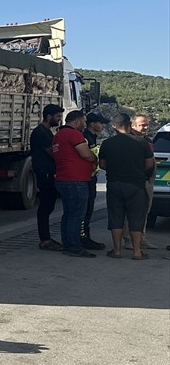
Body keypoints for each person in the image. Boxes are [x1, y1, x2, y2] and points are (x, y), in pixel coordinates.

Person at [99, 113, 154, 260]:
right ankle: (137, 252)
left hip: (114, 184)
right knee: (136, 218)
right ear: (130, 125)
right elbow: (150, 163)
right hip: (136, 185)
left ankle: (117, 251)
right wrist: (139, 172)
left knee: (116, 217)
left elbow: (102, 164)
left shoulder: (107, 143)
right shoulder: (141, 143)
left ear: (114, 128)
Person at [52, 110, 98, 257]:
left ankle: (68, 244)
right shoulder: (73, 134)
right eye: (84, 121)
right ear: (77, 121)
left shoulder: (58, 135)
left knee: (68, 214)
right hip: (75, 180)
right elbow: (86, 154)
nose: (85, 124)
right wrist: (94, 158)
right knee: (76, 215)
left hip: (65, 179)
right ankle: (74, 247)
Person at [31, 104, 64, 251]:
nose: (59, 119)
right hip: (44, 173)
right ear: (49, 116)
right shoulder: (41, 133)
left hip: (48, 172)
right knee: (45, 207)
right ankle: (45, 239)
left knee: (49, 206)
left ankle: (46, 238)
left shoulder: (47, 132)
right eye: (57, 117)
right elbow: (53, 152)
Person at [79, 112, 108, 250]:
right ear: (92, 124)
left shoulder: (91, 137)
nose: (102, 125)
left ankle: (85, 237)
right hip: (86, 178)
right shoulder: (86, 137)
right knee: (85, 210)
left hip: (90, 177)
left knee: (88, 209)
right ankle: (83, 237)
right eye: (100, 123)